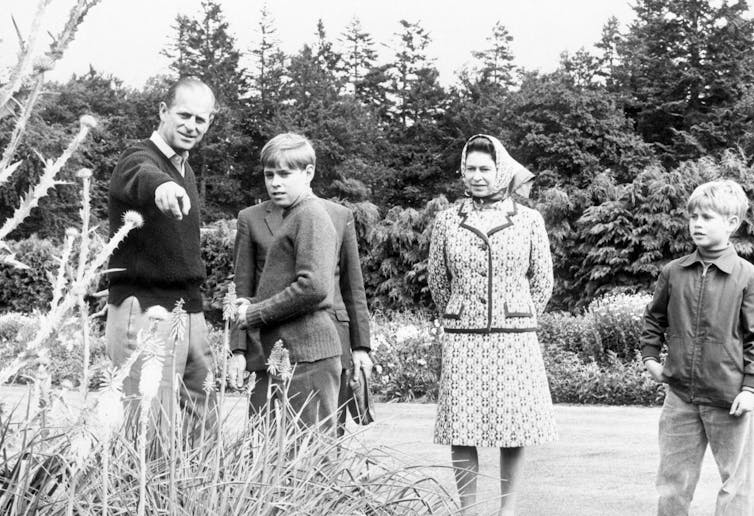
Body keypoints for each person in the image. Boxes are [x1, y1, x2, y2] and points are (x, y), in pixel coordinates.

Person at [427, 134, 556, 516]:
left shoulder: (529, 219)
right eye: (471, 168)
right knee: (461, 427)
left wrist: (517, 314)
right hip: (463, 336)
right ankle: (468, 510)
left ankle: (507, 510)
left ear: (501, 169)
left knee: (512, 426)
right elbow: (438, 280)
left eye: (485, 168)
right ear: (462, 171)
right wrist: (460, 312)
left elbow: (543, 281)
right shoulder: (448, 220)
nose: (478, 176)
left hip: (513, 337)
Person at [229, 135, 372, 437]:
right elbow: (247, 284)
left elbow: (315, 286)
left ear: (308, 173)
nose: (275, 183)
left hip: (308, 352)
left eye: (285, 174)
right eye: (270, 174)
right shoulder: (298, 214)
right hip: (289, 351)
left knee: (313, 459)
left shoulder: (311, 215)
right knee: (289, 454)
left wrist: (253, 314)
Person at [106, 76, 217, 430]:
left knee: (203, 411)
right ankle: (141, 487)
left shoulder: (185, 169)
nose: (191, 126)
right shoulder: (137, 157)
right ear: (163, 111)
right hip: (146, 307)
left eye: (201, 119)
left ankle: (195, 487)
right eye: (184, 115)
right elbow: (143, 174)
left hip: (189, 308)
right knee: (151, 426)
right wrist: (163, 187)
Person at [641, 180, 754, 516]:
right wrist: (649, 357)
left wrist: (749, 387)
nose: (697, 224)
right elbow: (653, 319)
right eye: (693, 217)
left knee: (735, 486)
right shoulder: (674, 272)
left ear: (732, 223)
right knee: (672, 484)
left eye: (707, 217)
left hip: (730, 399)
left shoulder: (747, 276)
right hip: (680, 399)